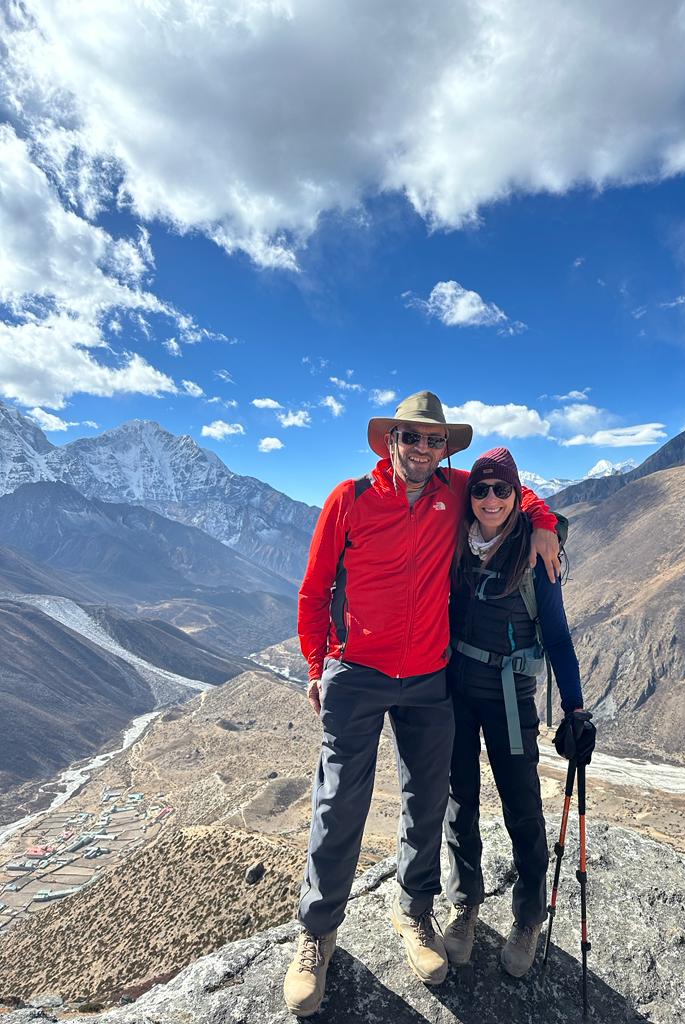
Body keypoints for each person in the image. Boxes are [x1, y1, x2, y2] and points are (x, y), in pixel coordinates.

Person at [283, 392, 560, 1017]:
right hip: (357, 671)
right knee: (339, 802)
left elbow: (510, 491)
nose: (424, 449)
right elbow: (314, 589)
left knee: (428, 800)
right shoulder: (349, 499)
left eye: (435, 441)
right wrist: (317, 667)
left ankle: (414, 911)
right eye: (413, 437)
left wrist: (543, 520)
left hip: (430, 674)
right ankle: (317, 933)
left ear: (445, 449)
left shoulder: (455, 492)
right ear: (392, 441)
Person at [441, 446, 596, 977]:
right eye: (481, 489)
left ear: (515, 493)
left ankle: (528, 917)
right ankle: (465, 903)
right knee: (459, 800)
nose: (490, 499)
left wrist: (575, 709)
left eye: (501, 489)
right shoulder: (457, 540)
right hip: (455, 693)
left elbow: (558, 635)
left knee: (523, 806)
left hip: (508, 698)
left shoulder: (534, 553)